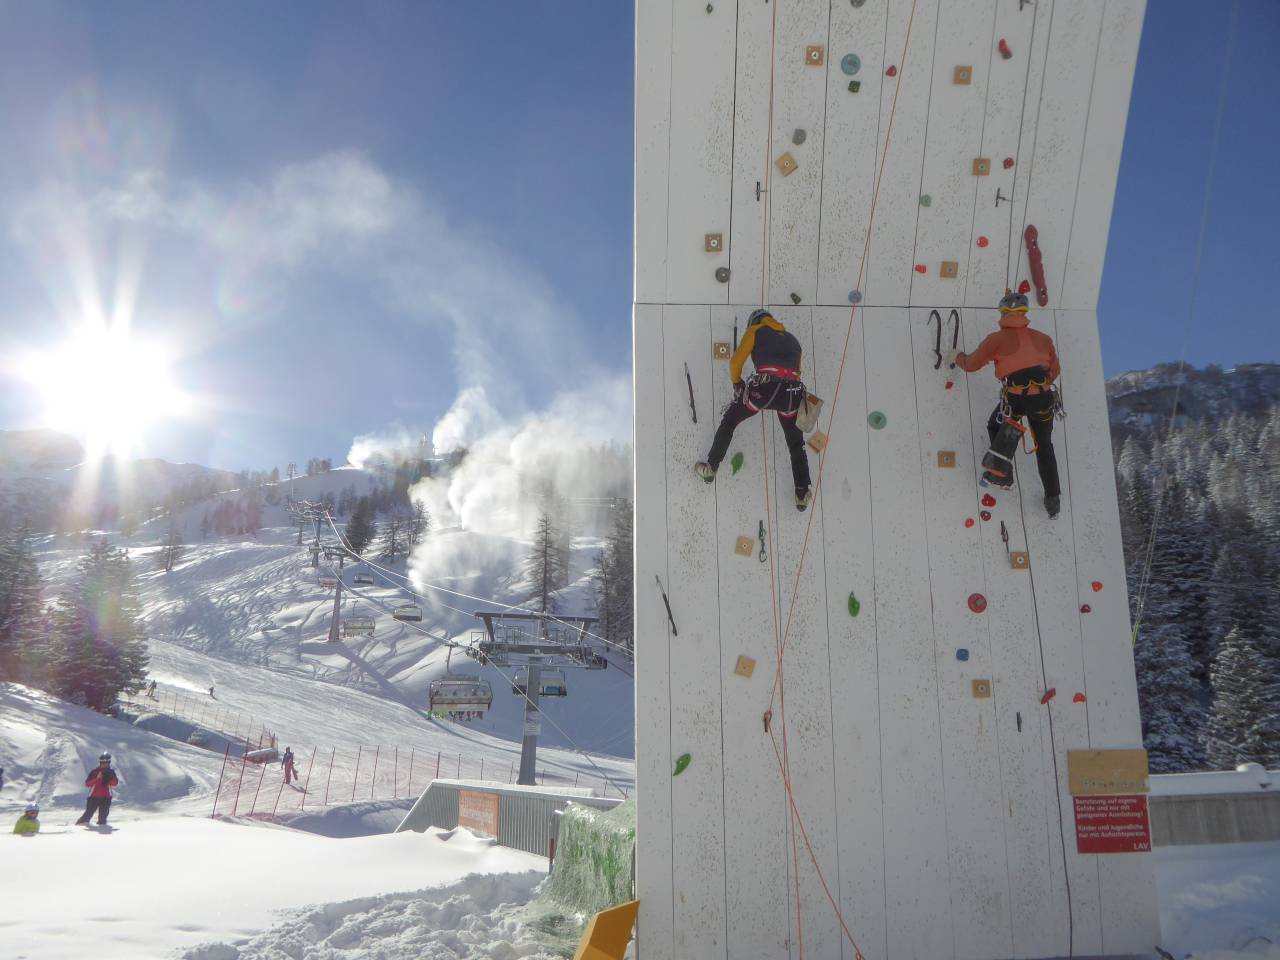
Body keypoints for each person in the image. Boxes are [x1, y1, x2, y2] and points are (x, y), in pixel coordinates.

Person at [951, 290, 1063, 517]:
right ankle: (1053, 501)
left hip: (1016, 399)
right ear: (1024, 312)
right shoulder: (1043, 338)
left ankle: (1003, 475)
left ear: (1003, 313)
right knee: (1044, 445)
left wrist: (957, 357)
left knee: (997, 426)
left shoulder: (996, 340)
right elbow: (1055, 371)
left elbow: (972, 364)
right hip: (1043, 399)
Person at [696, 308, 813, 511]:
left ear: (755, 321)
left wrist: (737, 382)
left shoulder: (755, 331)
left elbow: (735, 362)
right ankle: (802, 493)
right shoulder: (793, 340)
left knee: (730, 421)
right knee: (795, 443)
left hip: (763, 391)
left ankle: (711, 468)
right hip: (791, 395)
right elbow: (797, 371)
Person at [75, 752, 119, 826]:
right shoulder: (94, 772)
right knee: (87, 816)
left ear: (109, 763)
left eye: (106, 762)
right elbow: (87, 784)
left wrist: (110, 778)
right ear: (100, 762)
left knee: (102, 820)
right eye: (102, 762)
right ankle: (78, 828)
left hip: (106, 798)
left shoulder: (111, 772)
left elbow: (115, 784)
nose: (104, 764)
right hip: (93, 797)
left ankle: (102, 833)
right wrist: (97, 778)